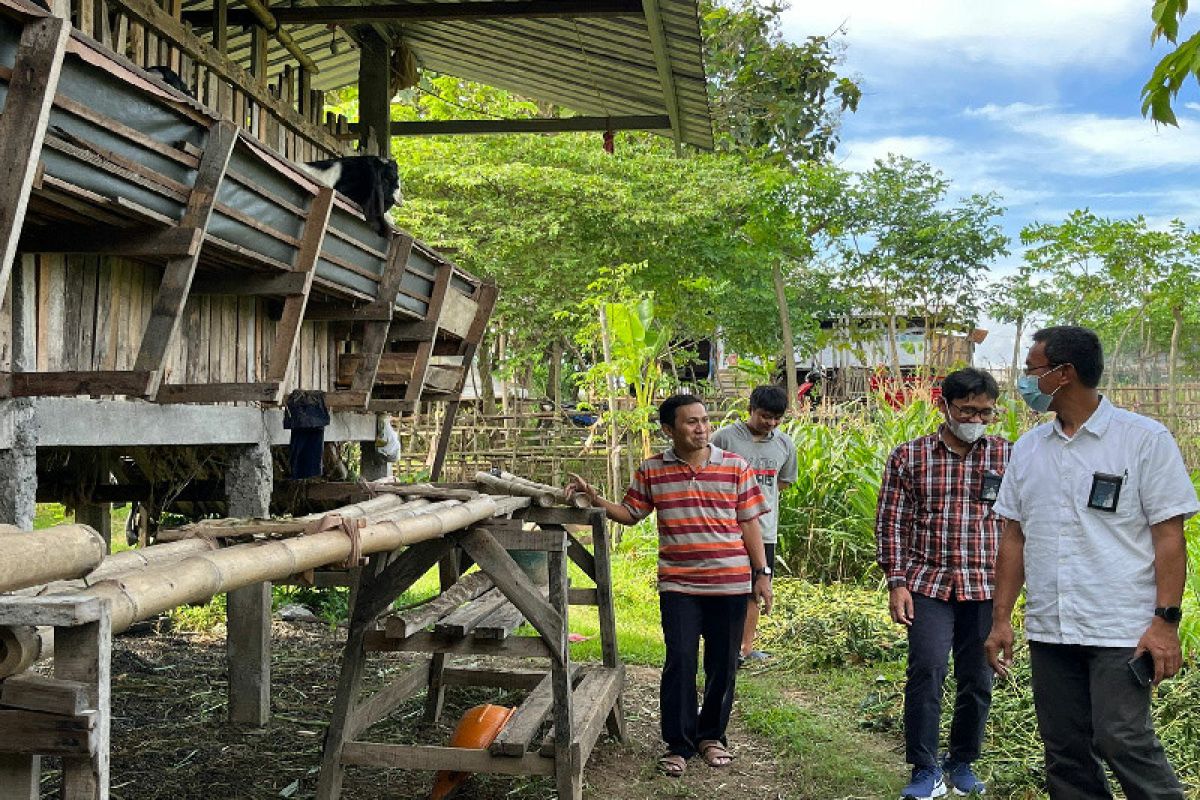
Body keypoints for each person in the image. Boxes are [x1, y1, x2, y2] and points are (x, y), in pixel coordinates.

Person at [985, 325, 1196, 800]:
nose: (1024, 380)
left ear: (1064, 374)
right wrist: (1002, 619)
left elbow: (1169, 537)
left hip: (1119, 627)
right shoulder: (1029, 450)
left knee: (1122, 738)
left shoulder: (1143, 440)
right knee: (1065, 749)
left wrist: (1165, 623)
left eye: (1031, 370)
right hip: (1050, 628)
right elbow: (1013, 539)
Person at [566, 394, 773, 779]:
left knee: (722, 664)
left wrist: (762, 574)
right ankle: (678, 743)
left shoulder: (734, 467)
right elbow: (630, 514)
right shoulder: (653, 470)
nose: (701, 428)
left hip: (729, 583)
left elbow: (749, 523)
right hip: (678, 584)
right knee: (679, 661)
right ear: (668, 429)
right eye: (691, 422)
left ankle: (712, 736)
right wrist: (594, 499)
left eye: (704, 420)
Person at [876, 367, 1011, 800]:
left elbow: (1020, 525)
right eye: (967, 410)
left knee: (978, 678)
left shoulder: (1007, 456)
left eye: (985, 412)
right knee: (927, 670)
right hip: (927, 583)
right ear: (944, 406)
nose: (976, 419)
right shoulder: (909, 457)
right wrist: (897, 582)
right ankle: (924, 767)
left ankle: (962, 761)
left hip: (985, 586)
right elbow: (891, 524)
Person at [711, 384, 797, 664]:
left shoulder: (785, 444)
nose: (770, 423)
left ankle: (745, 649)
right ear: (750, 410)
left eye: (776, 418)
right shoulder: (723, 439)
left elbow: (782, 482)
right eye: (764, 416)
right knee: (725, 591)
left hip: (764, 531)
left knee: (756, 590)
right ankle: (723, 645)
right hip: (726, 530)